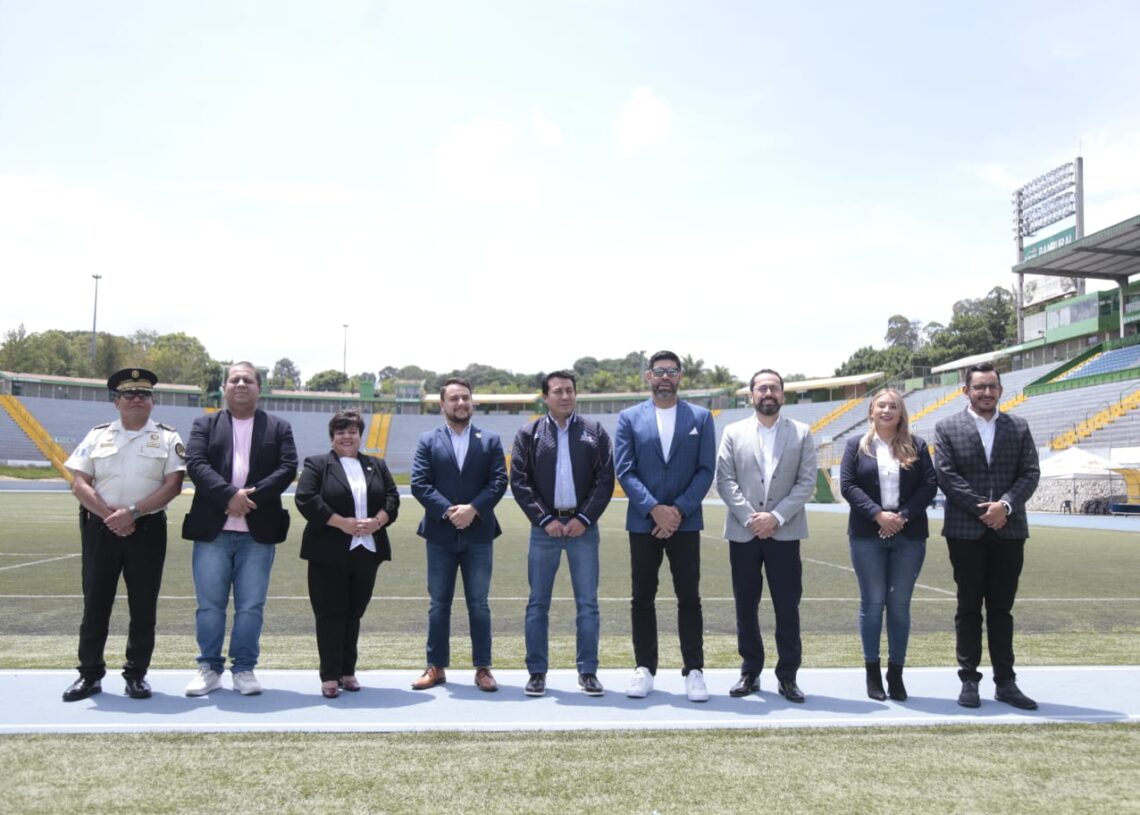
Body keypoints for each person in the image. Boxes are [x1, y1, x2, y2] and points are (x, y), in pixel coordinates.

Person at [61, 368, 186, 702]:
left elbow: (173, 486)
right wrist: (110, 516)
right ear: (116, 401)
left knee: (143, 605)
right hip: (101, 528)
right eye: (129, 394)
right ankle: (89, 674)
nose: (136, 399)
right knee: (95, 602)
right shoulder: (97, 435)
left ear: (153, 402)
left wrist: (131, 513)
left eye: (143, 394)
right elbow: (79, 482)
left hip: (146, 529)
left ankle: (136, 675)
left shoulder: (168, 437)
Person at [181, 361, 298, 697]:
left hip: (257, 534)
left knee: (251, 606)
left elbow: (288, 467)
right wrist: (228, 496)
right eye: (235, 380)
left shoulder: (278, 427)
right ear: (225, 387)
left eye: (248, 380)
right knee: (209, 605)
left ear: (259, 388)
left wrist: (247, 499)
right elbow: (196, 464)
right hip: (213, 531)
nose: (241, 384)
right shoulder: (204, 424)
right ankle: (209, 668)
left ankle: (244, 668)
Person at [935, 362, 1041, 710]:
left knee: (1001, 609)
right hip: (965, 532)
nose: (986, 392)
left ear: (1000, 390)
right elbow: (947, 476)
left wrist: (1005, 506)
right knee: (968, 607)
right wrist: (985, 510)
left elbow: (1030, 473)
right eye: (979, 387)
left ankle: (1006, 682)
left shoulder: (1018, 427)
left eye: (992, 386)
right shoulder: (947, 427)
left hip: (1009, 531)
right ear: (966, 391)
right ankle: (969, 680)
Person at [614, 351, 716, 702]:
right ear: (648, 376)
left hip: (685, 524)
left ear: (680, 376)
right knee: (642, 597)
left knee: (689, 597)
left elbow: (705, 470)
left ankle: (694, 670)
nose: (665, 377)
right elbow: (625, 470)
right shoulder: (629, 418)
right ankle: (645, 668)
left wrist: (677, 511)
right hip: (644, 522)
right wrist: (654, 509)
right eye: (659, 371)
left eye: (672, 371)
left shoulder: (700, 417)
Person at [510, 371, 615, 697]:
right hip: (545, 530)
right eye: (558, 391)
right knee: (537, 604)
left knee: (588, 604)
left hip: (583, 529)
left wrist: (584, 518)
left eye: (570, 390)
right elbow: (520, 482)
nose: (565, 396)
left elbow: (605, 480)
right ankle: (537, 672)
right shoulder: (529, 434)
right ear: (546, 397)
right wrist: (545, 520)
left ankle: (588, 672)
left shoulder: (595, 431)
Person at [715, 369, 816, 703]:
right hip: (743, 533)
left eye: (774, 388)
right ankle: (750, 671)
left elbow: (806, 482)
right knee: (746, 605)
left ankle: (788, 676)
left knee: (787, 606)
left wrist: (775, 517)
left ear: (783, 394)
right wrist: (751, 518)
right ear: (752, 395)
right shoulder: (733, 432)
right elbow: (725, 480)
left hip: (785, 532)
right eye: (762, 388)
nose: (768, 393)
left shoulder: (801, 432)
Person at [410, 378, 507, 692]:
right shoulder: (428, 440)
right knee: (439, 604)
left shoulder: (490, 440)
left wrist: (473, 510)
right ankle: (435, 666)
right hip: (440, 534)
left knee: (479, 604)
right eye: (454, 399)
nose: (461, 403)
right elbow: (419, 483)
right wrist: (450, 512)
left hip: (479, 535)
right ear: (443, 405)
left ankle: (483, 668)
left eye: (465, 397)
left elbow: (498, 482)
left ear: (472, 402)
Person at [840, 389, 937, 702]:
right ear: (871, 411)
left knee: (899, 606)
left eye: (893, 406)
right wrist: (878, 515)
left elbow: (929, 485)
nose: (886, 410)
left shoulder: (917, 445)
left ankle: (896, 674)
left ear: (901, 412)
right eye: (881, 405)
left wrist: (902, 516)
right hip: (867, 535)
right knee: (872, 603)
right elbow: (848, 485)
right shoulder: (856, 446)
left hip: (909, 535)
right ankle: (872, 673)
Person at [295, 410, 399, 698]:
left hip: (367, 551)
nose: (346, 437)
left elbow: (392, 499)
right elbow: (306, 499)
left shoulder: (376, 465)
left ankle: (347, 671)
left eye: (352, 431)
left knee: (354, 613)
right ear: (332, 437)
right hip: (328, 552)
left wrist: (377, 522)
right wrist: (342, 523)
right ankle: (330, 675)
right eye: (340, 432)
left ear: (360, 435)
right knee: (330, 614)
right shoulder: (317, 464)